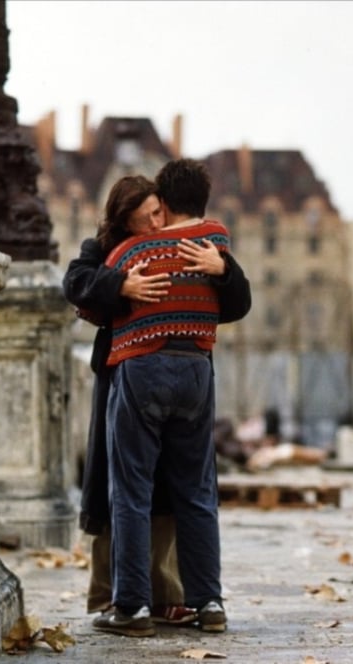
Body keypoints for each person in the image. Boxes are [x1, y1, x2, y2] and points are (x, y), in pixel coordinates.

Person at [62, 174, 250, 631]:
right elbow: (77, 284)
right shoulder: (111, 251)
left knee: (137, 492)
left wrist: (222, 269)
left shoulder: (182, 250)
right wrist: (119, 286)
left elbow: (236, 298)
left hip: (140, 372)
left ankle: (139, 604)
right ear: (126, 217)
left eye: (159, 211)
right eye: (149, 215)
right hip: (157, 373)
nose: (158, 221)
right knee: (184, 491)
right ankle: (202, 602)